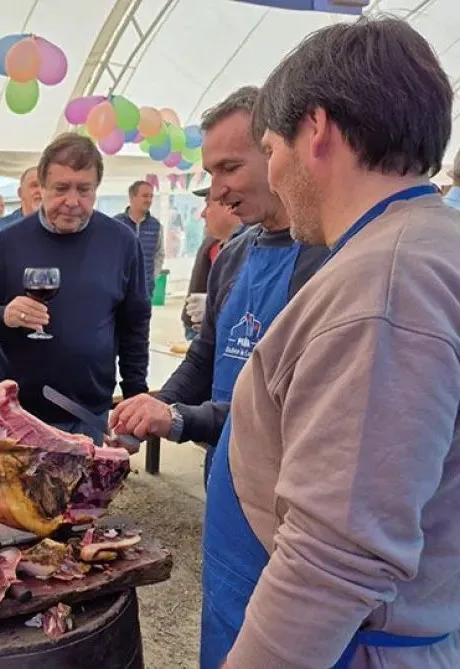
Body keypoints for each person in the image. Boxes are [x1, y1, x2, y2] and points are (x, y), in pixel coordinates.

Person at [206, 18, 460, 669]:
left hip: (350, 648)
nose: (277, 171)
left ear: (315, 130)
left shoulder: (389, 280)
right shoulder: (422, 245)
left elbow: (336, 558)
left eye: (271, 146)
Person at [109, 86, 328, 484]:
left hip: (291, 496)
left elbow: (298, 407)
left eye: (230, 168)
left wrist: (179, 419)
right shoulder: (232, 254)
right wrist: (154, 405)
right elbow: (203, 358)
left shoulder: (328, 257)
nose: (216, 191)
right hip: (224, 477)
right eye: (211, 173)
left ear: (275, 151)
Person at [0, 133, 151, 444]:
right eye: (61, 188)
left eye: (84, 190)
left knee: (86, 495)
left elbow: (135, 327)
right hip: (18, 419)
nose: (72, 201)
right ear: (42, 187)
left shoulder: (121, 243)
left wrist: (134, 403)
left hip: (88, 418)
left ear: (96, 190)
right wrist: (4, 316)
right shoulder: (5, 244)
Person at [181, 186, 242, 339]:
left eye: (208, 205)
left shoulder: (252, 249)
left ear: (229, 206)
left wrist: (215, 308)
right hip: (199, 328)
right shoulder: (211, 243)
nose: (202, 214)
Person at [0, 166, 43, 265]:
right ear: (20, 193)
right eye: (34, 185)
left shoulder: (59, 229)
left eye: (44, 186)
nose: (40, 191)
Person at [113, 181, 164, 296]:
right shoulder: (116, 223)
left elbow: (159, 254)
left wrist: (151, 277)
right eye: (145, 196)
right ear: (132, 198)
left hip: (145, 290)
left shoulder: (156, 226)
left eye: (151, 196)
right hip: (119, 288)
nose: (149, 200)